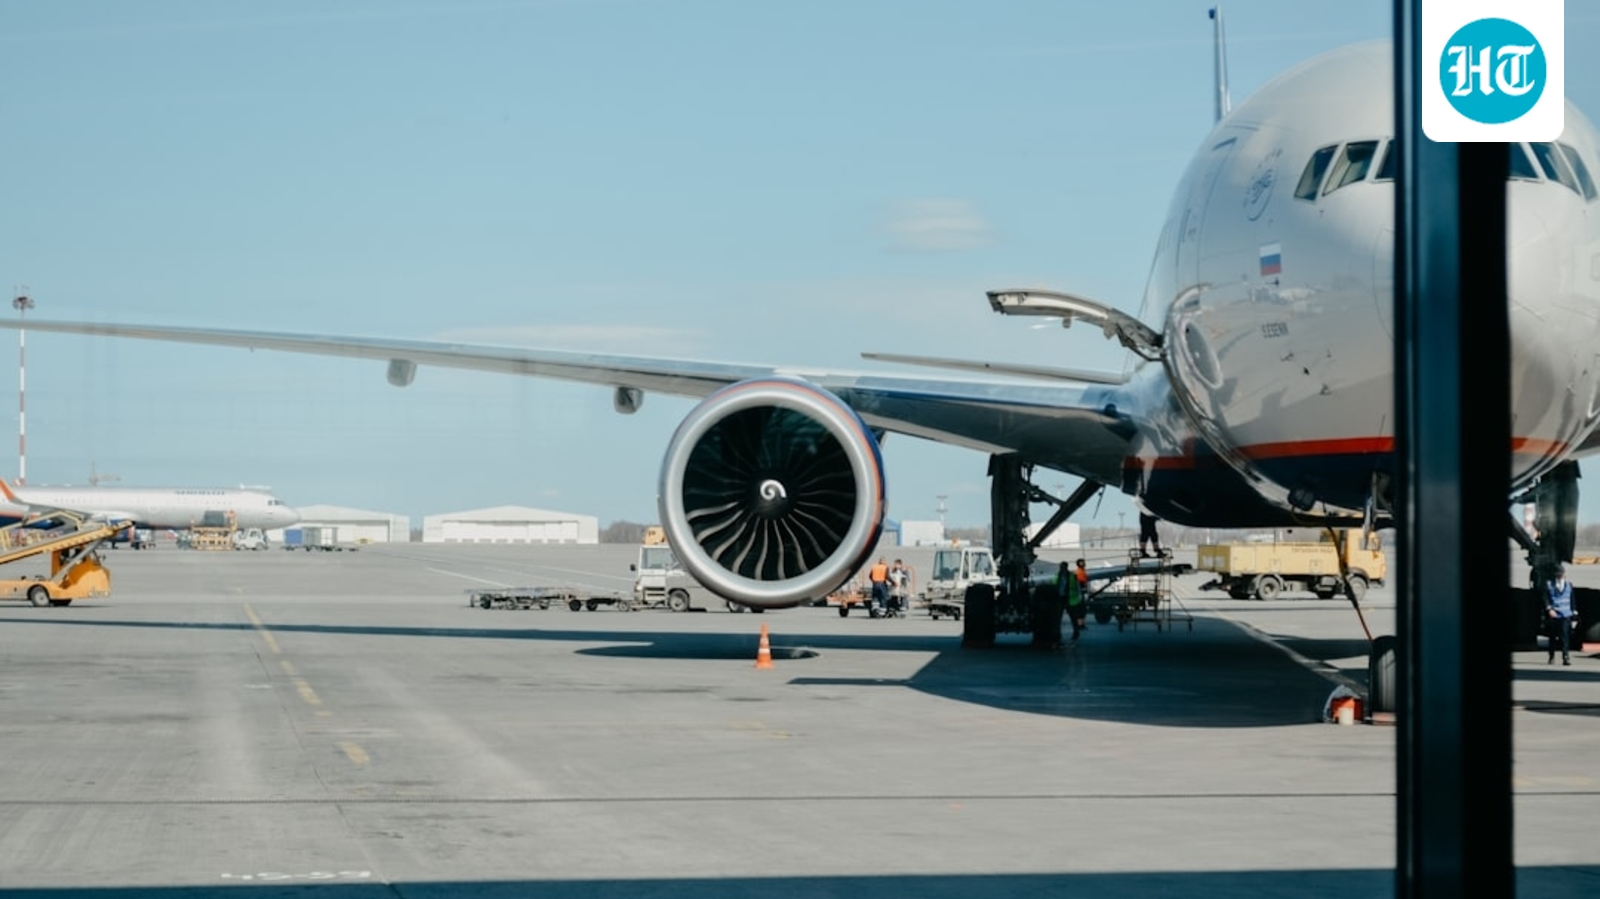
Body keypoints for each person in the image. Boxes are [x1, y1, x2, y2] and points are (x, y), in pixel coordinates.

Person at [1547, 564, 1578, 666]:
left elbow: (1572, 599)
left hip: (1566, 614)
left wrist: (1574, 611)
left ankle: (1566, 657)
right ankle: (1551, 655)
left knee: (1565, 636)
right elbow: (1546, 598)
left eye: (1561, 574)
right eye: (1558, 574)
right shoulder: (1550, 585)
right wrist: (1549, 609)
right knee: (1552, 636)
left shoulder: (1569, 585)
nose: (1560, 576)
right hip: (1554, 613)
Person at [1058, 560, 1086, 640]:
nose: (1062, 568)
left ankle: (1076, 632)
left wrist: (1079, 597)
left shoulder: (1072, 576)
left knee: (1073, 618)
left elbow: (1078, 586)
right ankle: (1058, 634)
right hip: (1060, 599)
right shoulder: (1057, 576)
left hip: (1070, 599)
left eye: (1063, 567)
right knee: (1058, 618)